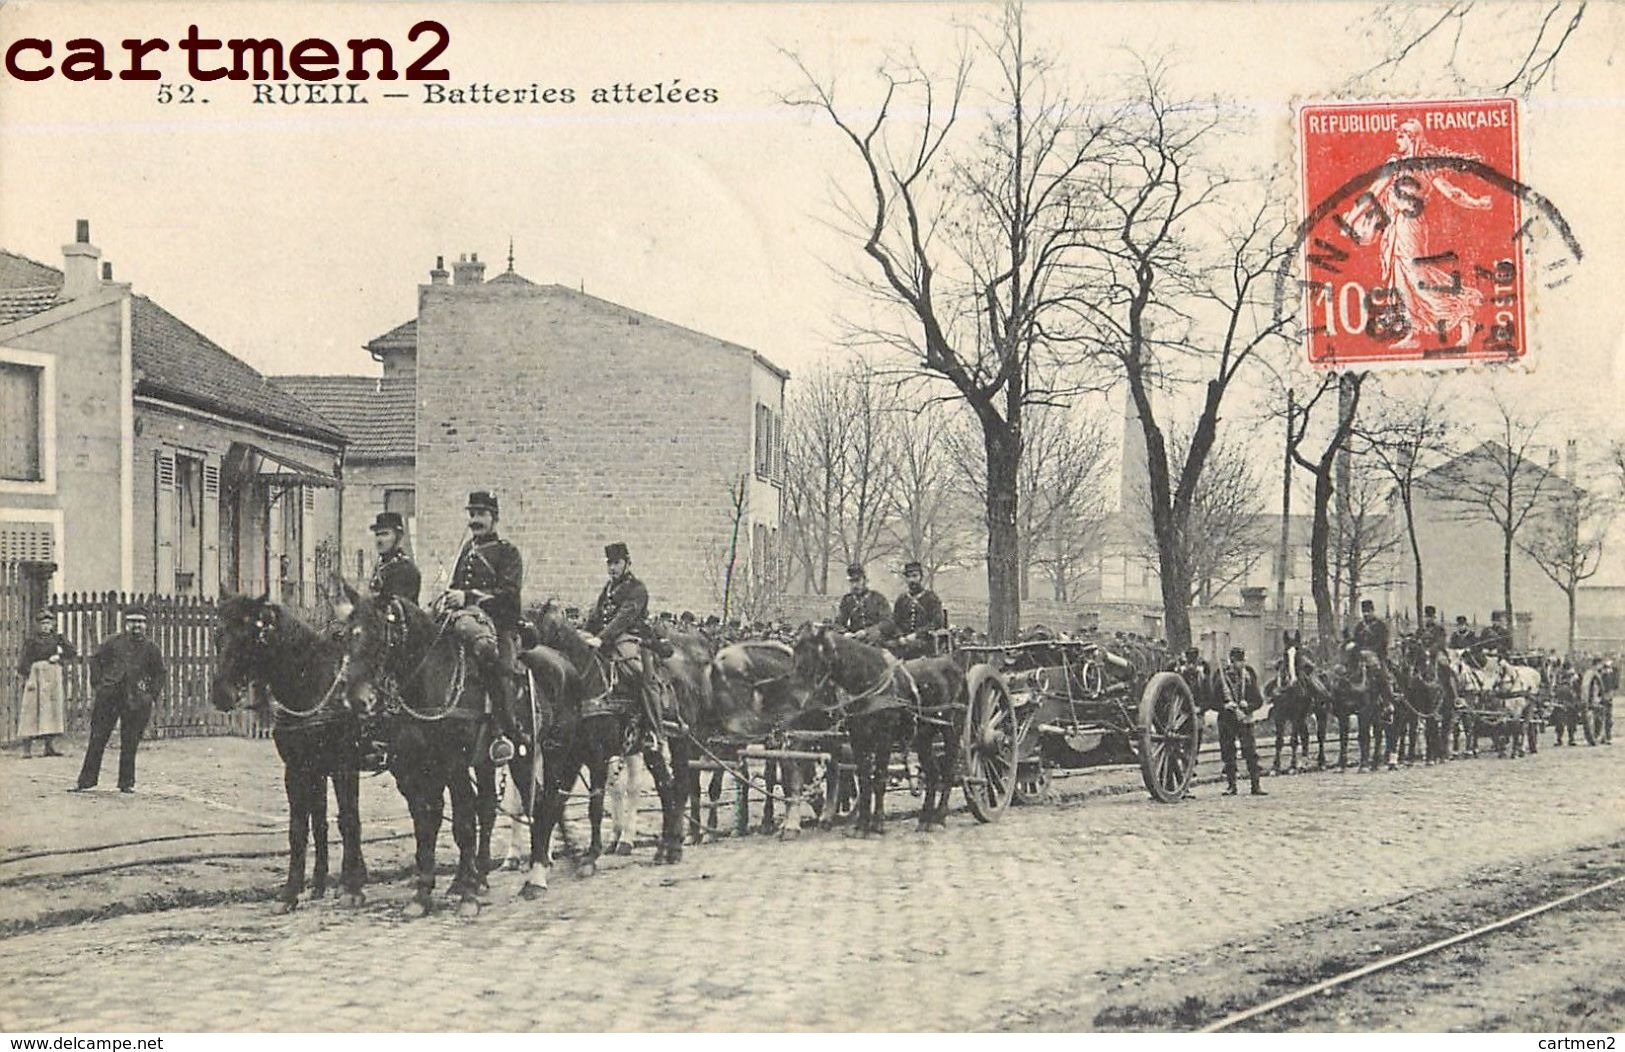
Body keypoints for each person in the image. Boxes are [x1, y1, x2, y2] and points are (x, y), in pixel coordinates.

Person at [441, 490, 527, 764]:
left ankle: (503, 730)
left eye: (481, 514)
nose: (475, 520)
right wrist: (448, 598)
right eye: (472, 514)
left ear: (494, 518)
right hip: (464, 619)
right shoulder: (467, 549)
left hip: (498, 624)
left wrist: (469, 597)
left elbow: (509, 595)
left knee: (494, 660)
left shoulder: (507, 551)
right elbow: (456, 584)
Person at [73, 609, 164, 793]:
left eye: (140, 622)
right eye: (132, 622)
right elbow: (96, 661)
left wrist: (150, 695)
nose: (136, 626)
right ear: (126, 623)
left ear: (145, 625)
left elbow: (159, 674)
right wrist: (99, 684)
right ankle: (86, 781)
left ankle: (126, 783)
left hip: (136, 699)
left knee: (130, 741)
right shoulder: (112, 642)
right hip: (109, 697)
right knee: (98, 738)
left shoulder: (151, 648)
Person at [581, 541, 651, 702]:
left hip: (629, 637)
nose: (612, 568)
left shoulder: (637, 588)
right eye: (609, 564)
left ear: (627, 563)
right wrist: (583, 634)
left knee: (636, 671)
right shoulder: (608, 587)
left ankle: (651, 720)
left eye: (616, 563)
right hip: (607, 638)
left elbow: (623, 618)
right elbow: (596, 615)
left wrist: (600, 638)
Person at [17, 609, 75, 758]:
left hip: (52, 675)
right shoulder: (31, 641)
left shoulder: (57, 638)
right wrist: (28, 678)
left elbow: (72, 652)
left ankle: (49, 747)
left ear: (53, 624)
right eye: (43, 623)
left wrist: (59, 656)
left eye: (48, 623)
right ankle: (27, 749)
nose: (45, 626)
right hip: (35, 676)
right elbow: (24, 661)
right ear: (38, 625)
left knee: (51, 710)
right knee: (31, 710)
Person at [1212, 645, 1266, 797]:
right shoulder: (1220, 676)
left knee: (1250, 752)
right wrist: (1224, 706)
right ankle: (1231, 785)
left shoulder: (1249, 675)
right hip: (1227, 720)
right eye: (1237, 661)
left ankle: (1256, 785)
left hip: (1245, 719)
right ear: (1231, 661)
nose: (1240, 664)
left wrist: (1248, 706)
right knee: (1228, 753)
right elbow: (1212, 701)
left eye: (1242, 661)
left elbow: (1259, 700)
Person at [890, 561, 945, 658]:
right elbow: (895, 621)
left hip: (925, 640)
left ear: (921, 577)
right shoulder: (902, 599)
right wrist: (900, 636)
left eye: (915, 576)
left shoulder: (931, 598)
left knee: (913, 647)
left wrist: (917, 634)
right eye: (909, 577)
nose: (912, 580)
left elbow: (937, 622)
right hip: (903, 640)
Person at [368, 511, 421, 604]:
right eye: (377, 535)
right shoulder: (381, 566)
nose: (379, 540)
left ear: (398, 537)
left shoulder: (406, 569)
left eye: (385, 534)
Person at [1351, 598, 1395, 707]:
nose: (1366, 614)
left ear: (1372, 611)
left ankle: (1387, 702)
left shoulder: (1380, 625)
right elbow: (1356, 640)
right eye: (1364, 612)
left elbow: (1383, 642)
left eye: (1368, 611)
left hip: (1377, 656)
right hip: (1361, 657)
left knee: (1383, 676)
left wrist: (1372, 651)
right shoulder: (1359, 626)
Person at [835, 563, 891, 642]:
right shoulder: (847, 600)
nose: (854, 585)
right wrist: (845, 633)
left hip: (876, 641)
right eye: (851, 581)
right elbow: (838, 623)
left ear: (865, 580)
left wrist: (867, 632)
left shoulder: (878, 598)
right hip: (855, 642)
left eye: (857, 581)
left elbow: (887, 622)